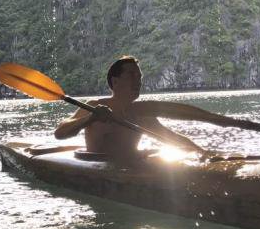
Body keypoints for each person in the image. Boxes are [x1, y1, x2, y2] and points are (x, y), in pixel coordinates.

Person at [54, 56, 209, 159]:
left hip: (128, 167)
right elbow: (60, 133)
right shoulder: (94, 106)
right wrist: (90, 118)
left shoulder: (142, 114)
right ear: (115, 82)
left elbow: (171, 138)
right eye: (131, 75)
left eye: (139, 77)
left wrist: (202, 152)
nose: (138, 81)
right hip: (97, 165)